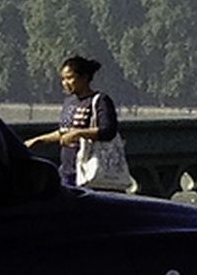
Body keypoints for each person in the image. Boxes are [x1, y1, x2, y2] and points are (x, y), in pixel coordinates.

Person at [25, 54, 134, 192]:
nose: (65, 83)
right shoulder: (69, 102)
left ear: (84, 77)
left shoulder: (100, 100)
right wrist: (38, 140)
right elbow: (64, 131)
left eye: (70, 78)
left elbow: (108, 131)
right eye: (63, 79)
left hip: (91, 173)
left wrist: (78, 133)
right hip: (68, 171)